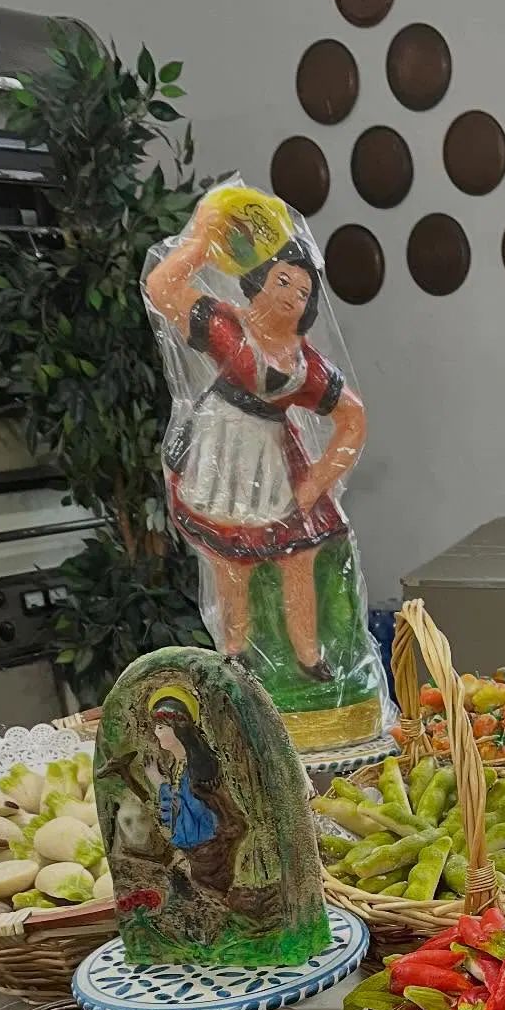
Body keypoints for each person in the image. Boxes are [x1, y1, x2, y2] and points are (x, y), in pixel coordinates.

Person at [144, 195, 367, 677]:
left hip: (272, 454)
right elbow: (162, 285)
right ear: (258, 282)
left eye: (304, 291)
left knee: (298, 553)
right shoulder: (227, 326)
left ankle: (308, 654)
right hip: (222, 445)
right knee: (231, 558)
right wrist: (202, 238)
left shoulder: (306, 365)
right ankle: (236, 651)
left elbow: (354, 418)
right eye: (282, 280)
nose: (291, 294)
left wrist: (317, 481)